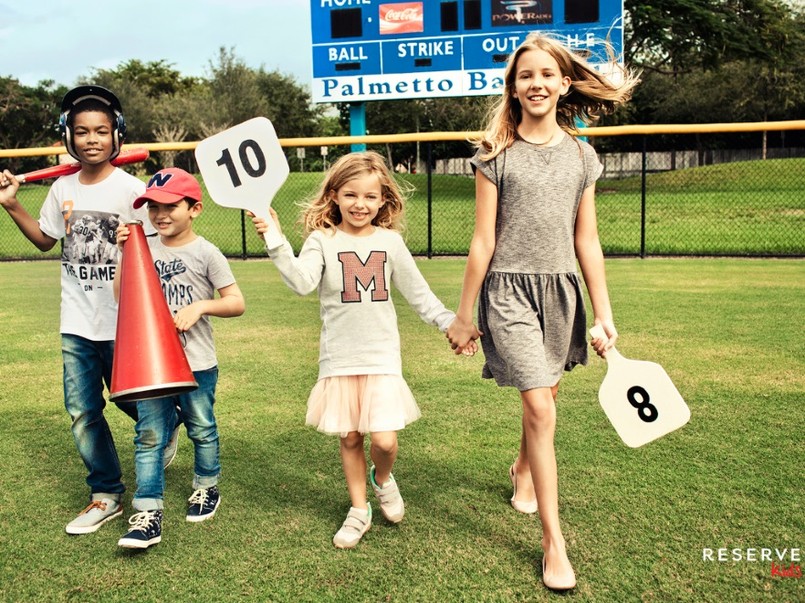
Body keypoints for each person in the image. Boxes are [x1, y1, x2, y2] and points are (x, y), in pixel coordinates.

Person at [445, 34, 639, 591]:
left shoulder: (583, 156)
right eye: (525, 75)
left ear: (563, 84)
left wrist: (604, 314)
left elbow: (589, 241)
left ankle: (524, 468)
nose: (536, 84)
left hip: (561, 293)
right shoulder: (495, 156)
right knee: (539, 402)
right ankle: (555, 544)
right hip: (507, 294)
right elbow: (482, 241)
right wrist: (465, 315)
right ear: (513, 86)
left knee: (546, 399)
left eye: (547, 75)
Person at [252, 151, 474, 549]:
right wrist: (274, 238)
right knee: (351, 437)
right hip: (339, 359)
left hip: (382, 358)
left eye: (370, 197)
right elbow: (302, 283)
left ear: (383, 200)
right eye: (351, 195)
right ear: (334, 196)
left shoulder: (390, 242)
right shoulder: (322, 239)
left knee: (384, 441)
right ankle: (359, 510)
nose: (360, 204)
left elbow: (420, 296)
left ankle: (382, 479)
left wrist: (450, 324)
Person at [0, 85, 180, 535]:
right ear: (69, 137)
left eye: (102, 130)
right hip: (77, 318)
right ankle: (106, 494)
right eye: (82, 132)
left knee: (129, 397)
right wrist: (11, 204)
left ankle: (167, 422)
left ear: (117, 133)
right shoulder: (61, 187)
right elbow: (45, 239)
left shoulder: (134, 190)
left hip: (126, 318)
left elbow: (159, 248)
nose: (92, 139)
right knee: (82, 409)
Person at [113, 168, 245, 549]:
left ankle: (206, 486)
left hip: (197, 363)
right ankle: (147, 511)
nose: (159, 214)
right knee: (149, 434)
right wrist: (124, 254)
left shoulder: (206, 253)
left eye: (170, 206)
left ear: (195, 209)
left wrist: (201, 307)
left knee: (202, 427)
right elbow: (122, 298)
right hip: (152, 368)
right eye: (152, 207)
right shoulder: (143, 247)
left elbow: (237, 302)